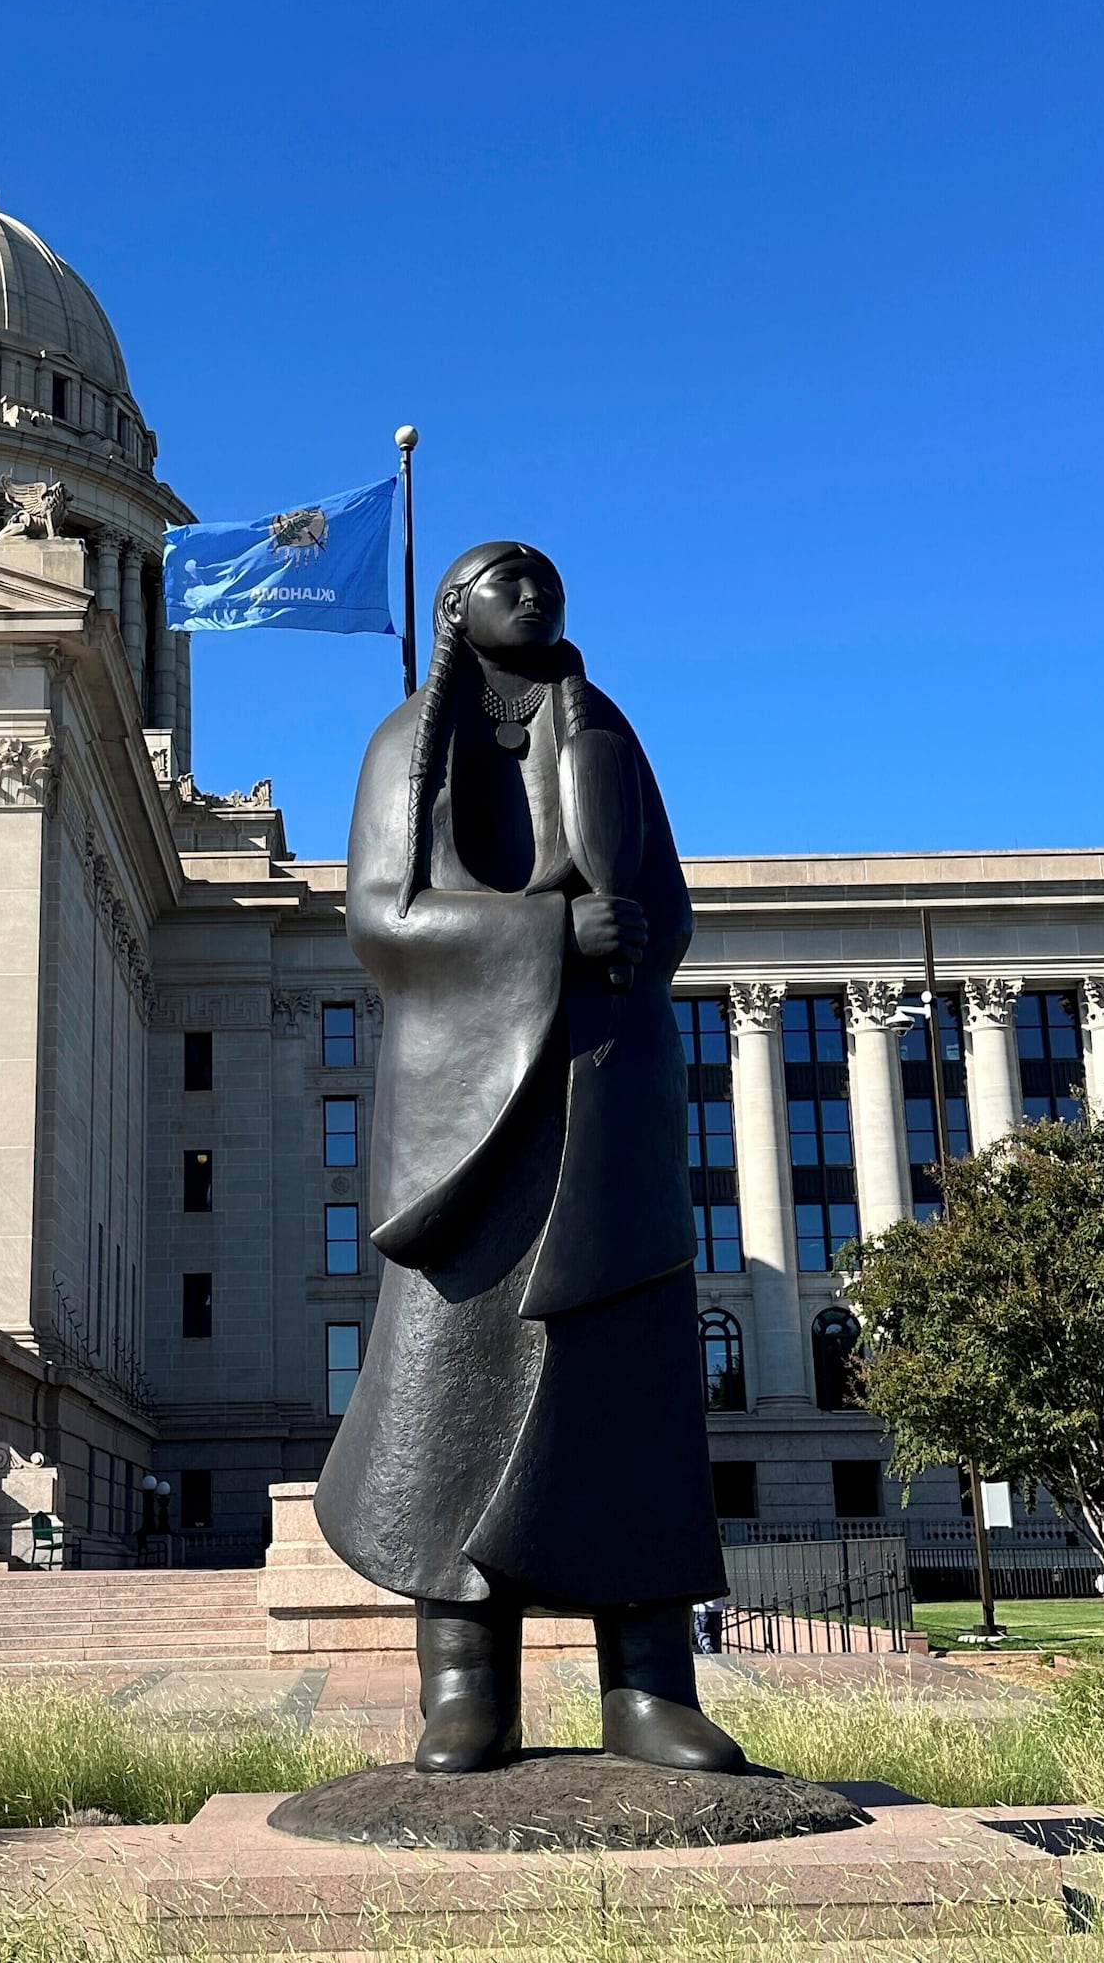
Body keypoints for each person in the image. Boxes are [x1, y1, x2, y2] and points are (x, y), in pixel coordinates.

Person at [315, 542, 744, 1774]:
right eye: (506, 578)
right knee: (448, 1380)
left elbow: (665, 904)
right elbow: (380, 919)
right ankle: (464, 1688)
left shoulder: (604, 730)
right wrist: (552, 934)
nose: (535, 590)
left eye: (547, 577)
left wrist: (613, 946)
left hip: (601, 1092)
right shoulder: (408, 744)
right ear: (454, 607)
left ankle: (651, 1686)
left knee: (627, 1378)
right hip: (470, 1121)